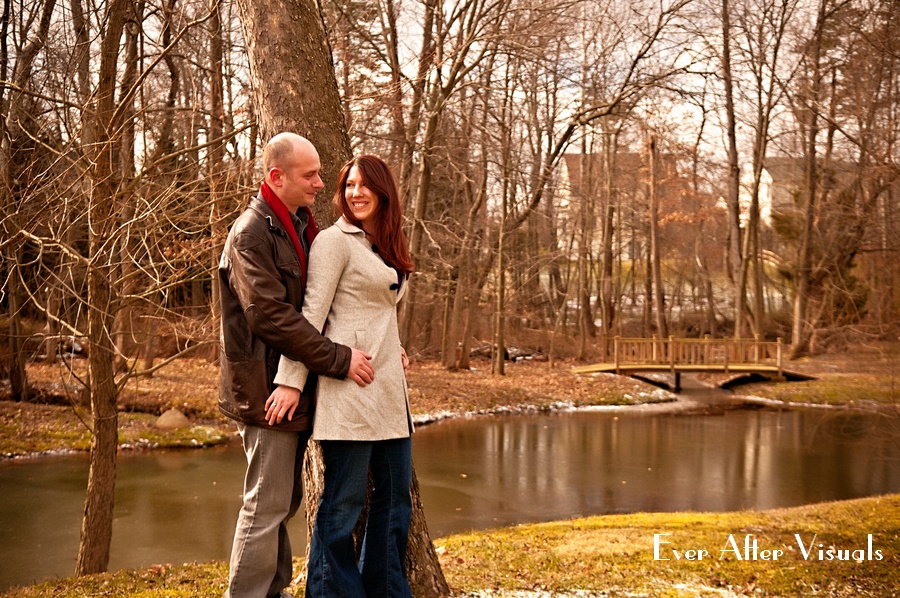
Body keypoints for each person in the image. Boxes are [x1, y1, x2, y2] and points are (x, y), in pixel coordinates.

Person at [218, 132, 376, 598]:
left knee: (281, 501)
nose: (320, 183)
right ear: (276, 176)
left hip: (294, 387)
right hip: (266, 391)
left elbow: (323, 304)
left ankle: (273, 589)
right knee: (265, 504)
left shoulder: (300, 225)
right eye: (310, 175)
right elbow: (272, 318)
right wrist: (339, 360)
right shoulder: (250, 233)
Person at [268, 155, 415, 597]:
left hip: (389, 392)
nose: (356, 193)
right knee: (343, 506)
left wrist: (396, 346)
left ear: (383, 191)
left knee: (395, 506)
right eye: (349, 185)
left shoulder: (387, 242)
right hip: (349, 391)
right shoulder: (334, 241)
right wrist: (290, 380)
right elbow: (311, 314)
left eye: (365, 185)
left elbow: (376, 308)